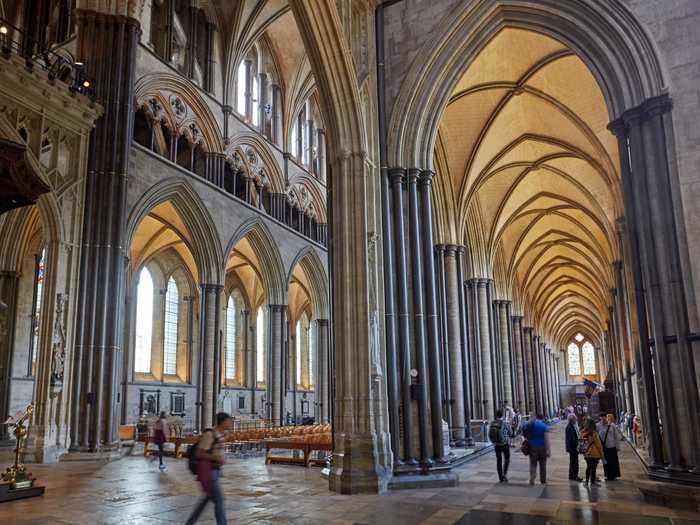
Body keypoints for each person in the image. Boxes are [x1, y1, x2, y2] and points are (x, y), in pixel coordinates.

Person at [186, 412, 234, 525]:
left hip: (214, 471)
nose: (231, 423)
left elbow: (216, 449)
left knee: (206, 500)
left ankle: (190, 522)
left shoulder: (219, 434)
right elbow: (199, 453)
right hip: (209, 472)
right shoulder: (209, 434)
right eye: (229, 421)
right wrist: (215, 457)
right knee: (219, 501)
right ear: (222, 422)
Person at [523, 413, 550, 485]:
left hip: (532, 447)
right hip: (542, 447)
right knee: (543, 465)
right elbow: (546, 439)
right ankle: (543, 480)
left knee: (533, 464)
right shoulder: (544, 426)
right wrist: (548, 450)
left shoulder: (531, 424)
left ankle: (532, 478)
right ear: (543, 418)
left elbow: (525, 433)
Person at [489, 409, 512, 483]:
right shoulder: (505, 423)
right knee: (507, 459)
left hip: (496, 444)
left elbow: (490, 433)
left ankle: (500, 478)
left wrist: (493, 441)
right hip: (504, 444)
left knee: (499, 460)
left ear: (496, 415)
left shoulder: (492, 423)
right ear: (502, 415)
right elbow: (510, 433)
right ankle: (504, 474)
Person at [598, 413, 622, 480]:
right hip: (604, 447)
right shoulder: (598, 426)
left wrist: (618, 446)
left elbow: (616, 436)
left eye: (604, 417)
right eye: (601, 418)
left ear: (606, 417)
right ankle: (608, 475)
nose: (603, 419)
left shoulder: (612, 425)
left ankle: (614, 474)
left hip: (612, 446)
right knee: (606, 462)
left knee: (613, 461)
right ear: (600, 418)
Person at [581, 417, 604, 486]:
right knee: (593, 468)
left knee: (588, 467)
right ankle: (593, 482)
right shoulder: (594, 433)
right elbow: (598, 445)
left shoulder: (582, 432)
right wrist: (602, 455)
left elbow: (581, 443)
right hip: (594, 453)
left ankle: (587, 481)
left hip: (586, 453)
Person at [565, 414, 582, 481]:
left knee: (574, 462)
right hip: (573, 448)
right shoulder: (569, 427)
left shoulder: (571, 426)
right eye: (575, 419)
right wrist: (578, 445)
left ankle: (573, 476)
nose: (576, 420)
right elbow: (572, 439)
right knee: (574, 462)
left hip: (572, 447)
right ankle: (574, 476)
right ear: (572, 420)